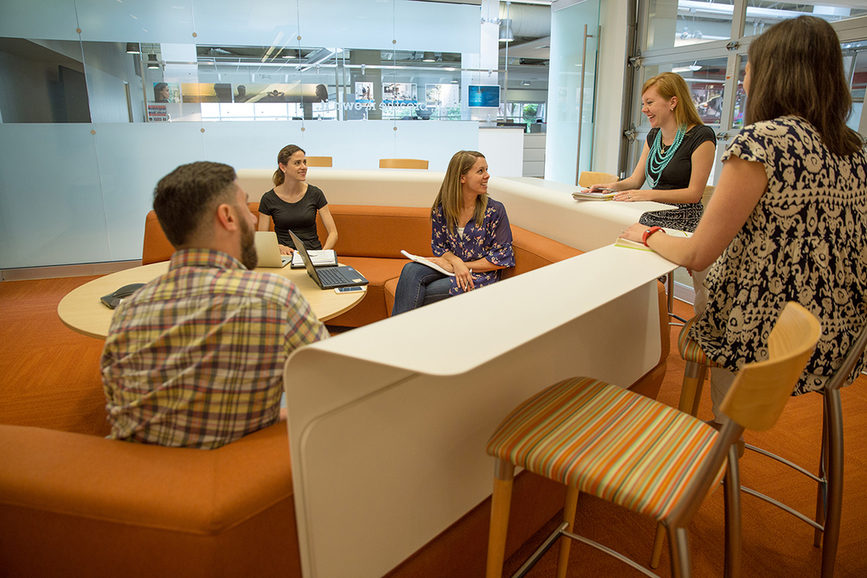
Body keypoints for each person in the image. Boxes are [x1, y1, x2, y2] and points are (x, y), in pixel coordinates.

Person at [621, 16, 867, 424]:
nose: (743, 79)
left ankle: (721, 443)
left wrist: (647, 235)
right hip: (838, 337)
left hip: (764, 337)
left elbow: (697, 254)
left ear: (772, 74)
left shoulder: (761, 143)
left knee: (709, 308)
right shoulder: (852, 146)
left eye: (748, 68)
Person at [101, 161, 329, 449]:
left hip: (143, 476)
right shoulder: (273, 298)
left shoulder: (126, 311)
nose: (250, 217)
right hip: (243, 470)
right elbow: (330, 385)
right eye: (245, 207)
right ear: (227, 217)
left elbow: (119, 408)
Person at [391, 150, 514, 315]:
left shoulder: (495, 210)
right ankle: (400, 336)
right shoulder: (442, 210)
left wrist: (462, 266)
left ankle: (396, 336)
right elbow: (440, 247)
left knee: (421, 293)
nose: (487, 175)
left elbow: (501, 259)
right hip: (450, 268)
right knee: (410, 269)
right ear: (462, 178)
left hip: (478, 277)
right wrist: (455, 262)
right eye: (480, 171)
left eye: (486, 169)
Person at [592, 72, 715, 232]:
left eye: (649, 103)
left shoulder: (701, 136)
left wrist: (647, 195)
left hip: (684, 215)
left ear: (673, 102)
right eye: (643, 104)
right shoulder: (655, 135)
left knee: (625, 225)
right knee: (609, 217)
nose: (644, 109)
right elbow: (635, 181)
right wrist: (610, 187)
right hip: (654, 207)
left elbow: (694, 194)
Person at [258, 144, 338, 254]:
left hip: (313, 254)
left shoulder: (315, 193)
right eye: (297, 163)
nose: (304, 167)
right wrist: (278, 247)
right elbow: (262, 239)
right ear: (283, 167)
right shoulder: (268, 199)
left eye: (304, 162)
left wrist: (322, 254)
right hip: (285, 256)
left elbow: (333, 233)